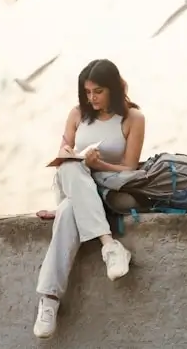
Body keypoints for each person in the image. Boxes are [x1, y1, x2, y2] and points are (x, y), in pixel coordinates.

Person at [33, 59, 146, 339]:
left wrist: (99, 165)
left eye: (98, 92)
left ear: (113, 90)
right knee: (71, 166)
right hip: (75, 182)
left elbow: (130, 168)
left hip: (107, 188)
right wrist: (79, 160)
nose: (91, 98)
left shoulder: (134, 118)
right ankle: (109, 246)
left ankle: (49, 299)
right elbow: (65, 154)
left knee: (69, 212)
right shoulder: (76, 115)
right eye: (87, 92)